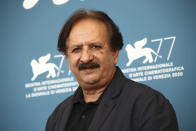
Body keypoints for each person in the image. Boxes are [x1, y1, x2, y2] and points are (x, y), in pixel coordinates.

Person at [45, 9, 179, 131]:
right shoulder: (57, 117)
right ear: (67, 60)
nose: (85, 58)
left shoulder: (149, 105)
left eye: (95, 47)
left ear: (114, 54)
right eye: (76, 49)